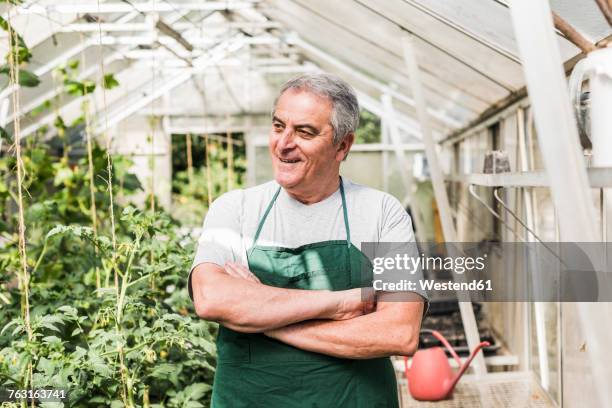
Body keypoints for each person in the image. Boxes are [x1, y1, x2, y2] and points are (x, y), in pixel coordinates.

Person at [189, 73, 427, 407]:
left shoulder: (382, 213)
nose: (283, 143)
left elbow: (398, 332)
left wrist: (268, 324)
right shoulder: (236, 209)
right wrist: (338, 304)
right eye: (277, 126)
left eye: (304, 132)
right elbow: (211, 298)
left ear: (342, 145)